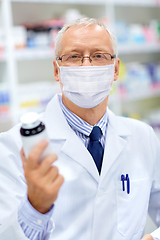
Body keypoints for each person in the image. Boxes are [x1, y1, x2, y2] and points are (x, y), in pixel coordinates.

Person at [0, 17, 160, 240]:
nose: (87, 65)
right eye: (74, 56)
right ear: (57, 70)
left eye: (98, 56)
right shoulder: (10, 147)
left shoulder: (144, 137)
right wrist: (35, 208)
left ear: (115, 70)